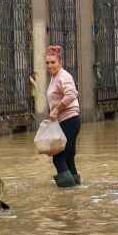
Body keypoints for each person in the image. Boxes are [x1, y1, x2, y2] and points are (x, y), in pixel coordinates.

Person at [44, 45, 82, 188]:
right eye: (47, 63)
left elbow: (72, 94)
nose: (50, 66)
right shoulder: (55, 77)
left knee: (58, 158)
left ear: (60, 62)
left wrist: (56, 110)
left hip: (69, 121)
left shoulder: (63, 76)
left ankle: (67, 196)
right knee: (68, 157)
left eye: (53, 62)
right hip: (67, 121)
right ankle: (76, 189)